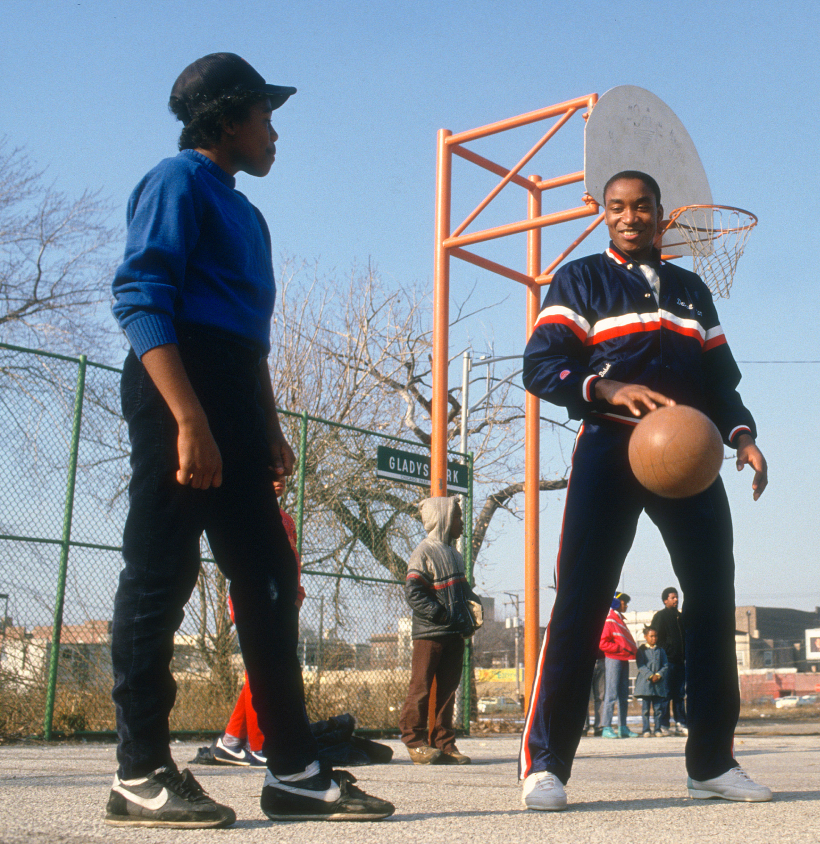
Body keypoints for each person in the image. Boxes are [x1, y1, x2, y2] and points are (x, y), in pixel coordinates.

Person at [106, 53, 392, 827]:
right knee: (161, 575)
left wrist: (263, 425)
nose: (276, 134)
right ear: (228, 120)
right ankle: (138, 771)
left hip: (232, 394)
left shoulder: (249, 214)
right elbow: (140, 297)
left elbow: (251, 340)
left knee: (269, 581)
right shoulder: (177, 183)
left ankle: (295, 771)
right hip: (178, 388)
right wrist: (190, 421)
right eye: (266, 117)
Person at [518, 170, 772, 810]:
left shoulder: (691, 291)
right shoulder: (581, 280)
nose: (629, 217)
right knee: (580, 600)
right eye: (616, 208)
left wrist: (742, 437)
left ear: (663, 214)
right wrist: (605, 388)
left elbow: (719, 381)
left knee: (713, 603)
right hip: (611, 446)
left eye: (641, 207)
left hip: (689, 454)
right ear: (605, 215)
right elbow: (540, 365)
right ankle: (546, 764)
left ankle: (713, 762)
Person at [212, 476, 306, 767]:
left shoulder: (286, 521)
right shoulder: (245, 512)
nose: (278, 480)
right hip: (255, 595)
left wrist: (295, 589)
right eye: (269, 473)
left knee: (266, 666)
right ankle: (260, 743)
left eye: (281, 474)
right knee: (262, 664)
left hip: (283, 596)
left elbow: (291, 560)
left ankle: (230, 741)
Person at [399, 496, 480, 764]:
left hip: (454, 633)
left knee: (448, 690)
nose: (461, 522)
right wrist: (442, 615)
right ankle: (414, 741)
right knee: (421, 686)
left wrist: (473, 610)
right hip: (430, 634)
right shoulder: (424, 551)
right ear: (443, 519)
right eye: (457, 517)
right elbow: (414, 592)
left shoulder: (455, 554)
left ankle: (444, 743)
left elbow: (464, 591)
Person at [599, 592, 637, 738]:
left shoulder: (620, 620)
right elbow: (603, 643)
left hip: (623, 659)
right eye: (623, 602)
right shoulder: (610, 620)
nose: (626, 605)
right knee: (611, 693)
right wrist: (619, 649)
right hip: (614, 659)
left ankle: (623, 726)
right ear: (616, 602)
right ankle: (606, 727)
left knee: (623, 694)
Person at [650, 586, 686, 735]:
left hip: (680, 662)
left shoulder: (680, 617)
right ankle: (663, 725)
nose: (676, 600)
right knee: (665, 693)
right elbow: (656, 638)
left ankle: (681, 723)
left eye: (677, 597)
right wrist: (668, 651)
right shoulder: (660, 616)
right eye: (672, 597)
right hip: (667, 662)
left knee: (679, 694)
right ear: (665, 600)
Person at [635, 626, 670, 737]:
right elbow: (640, 665)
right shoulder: (641, 650)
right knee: (645, 709)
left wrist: (659, 674)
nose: (654, 638)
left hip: (658, 685)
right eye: (651, 636)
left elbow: (665, 665)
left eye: (655, 636)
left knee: (658, 709)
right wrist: (650, 675)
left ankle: (657, 729)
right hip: (646, 684)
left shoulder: (661, 650)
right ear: (645, 637)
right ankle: (646, 729)